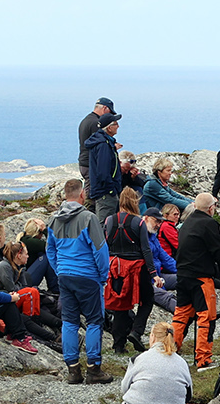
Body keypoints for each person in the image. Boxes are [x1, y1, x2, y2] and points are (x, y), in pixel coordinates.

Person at [49, 179, 113, 384]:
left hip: (65, 277)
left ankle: (73, 370)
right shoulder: (88, 218)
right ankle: (93, 369)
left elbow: (50, 250)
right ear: (82, 194)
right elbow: (100, 249)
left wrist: (59, 269)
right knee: (94, 321)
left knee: (69, 321)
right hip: (87, 276)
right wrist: (103, 275)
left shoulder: (53, 220)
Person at [174, 192, 220, 369]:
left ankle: (168, 351)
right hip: (200, 278)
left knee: (181, 315)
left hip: (182, 275)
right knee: (207, 316)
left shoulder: (186, 223)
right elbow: (219, 253)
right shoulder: (209, 223)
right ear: (211, 208)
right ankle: (203, 358)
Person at [104, 187, 157, 355]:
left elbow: (106, 246)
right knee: (147, 300)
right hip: (137, 268)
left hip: (116, 268)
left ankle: (118, 345)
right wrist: (153, 273)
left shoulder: (109, 221)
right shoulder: (139, 222)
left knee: (120, 306)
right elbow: (145, 249)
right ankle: (136, 331)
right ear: (135, 201)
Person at [0, 241, 60, 343]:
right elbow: (12, 289)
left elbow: (23, 286)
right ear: (19, 255)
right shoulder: (4, 266)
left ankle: (42, 323)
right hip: (3, 301)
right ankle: (32, 322)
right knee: (30, 293)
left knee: (33, 291)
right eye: (26, 254)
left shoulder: (19, 268)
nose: (28, 256)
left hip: (12, 298)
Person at [83, 112, 124, 220]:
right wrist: (111, 190)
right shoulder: (103, 145)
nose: (118, 126)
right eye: (115, 124)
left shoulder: (105, 142)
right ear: (109, 128)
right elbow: (103, 171)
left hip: (104, 191)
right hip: (105, 192)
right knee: (105, 223)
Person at [77, 97, 115, 175]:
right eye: (110, 112)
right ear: (105, 108)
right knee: (91, 186)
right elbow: (99, 142)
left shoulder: (87, 119)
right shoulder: (96, 123)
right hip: (90, 163)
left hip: (84, 161)